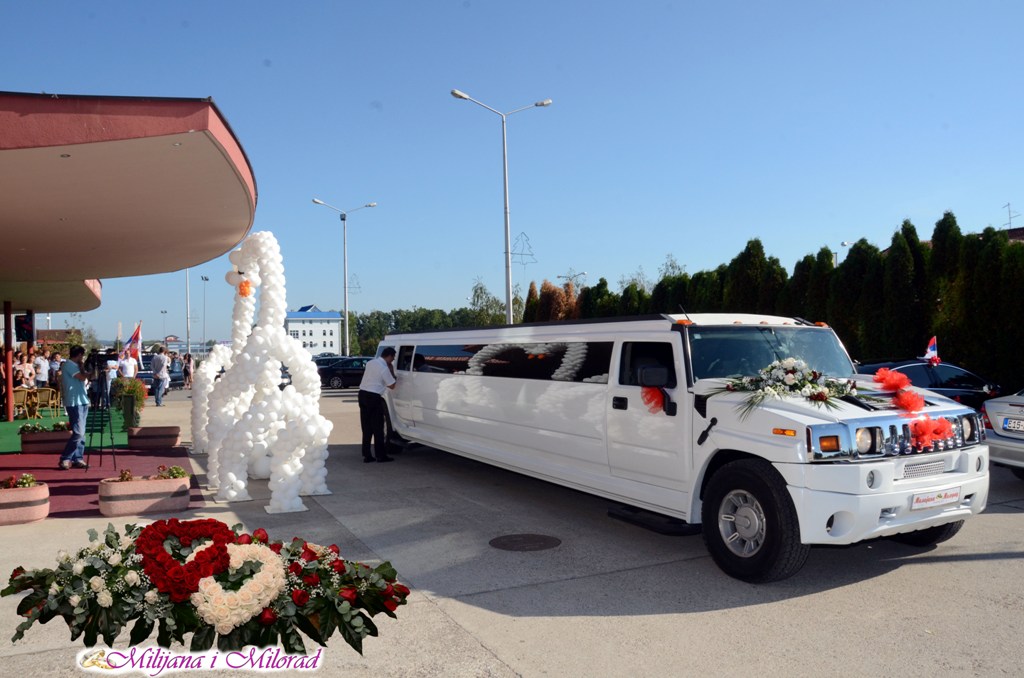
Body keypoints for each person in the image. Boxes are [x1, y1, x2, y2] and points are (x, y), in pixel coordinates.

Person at [357, 347, 397, 463]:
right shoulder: (384, 368)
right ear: (389, 356)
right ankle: (380, 455)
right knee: (378, 428)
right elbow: (392, 385)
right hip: (374, 397)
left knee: (366, 427)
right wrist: (392, 371)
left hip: (362, 394)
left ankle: (367, 455)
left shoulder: (370, 363)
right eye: (393, 358)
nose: (393, 360)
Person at [59, 345, 90, 470]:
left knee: (82, 433)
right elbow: (81, 377)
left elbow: (84, 377)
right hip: (73, 402)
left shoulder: (77, 365)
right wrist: (91, 372)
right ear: (79, 355)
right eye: (82, 355)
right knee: (78, 432)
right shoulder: (68, 365)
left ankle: (78, 458)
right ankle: (65, 458)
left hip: (82, 400)